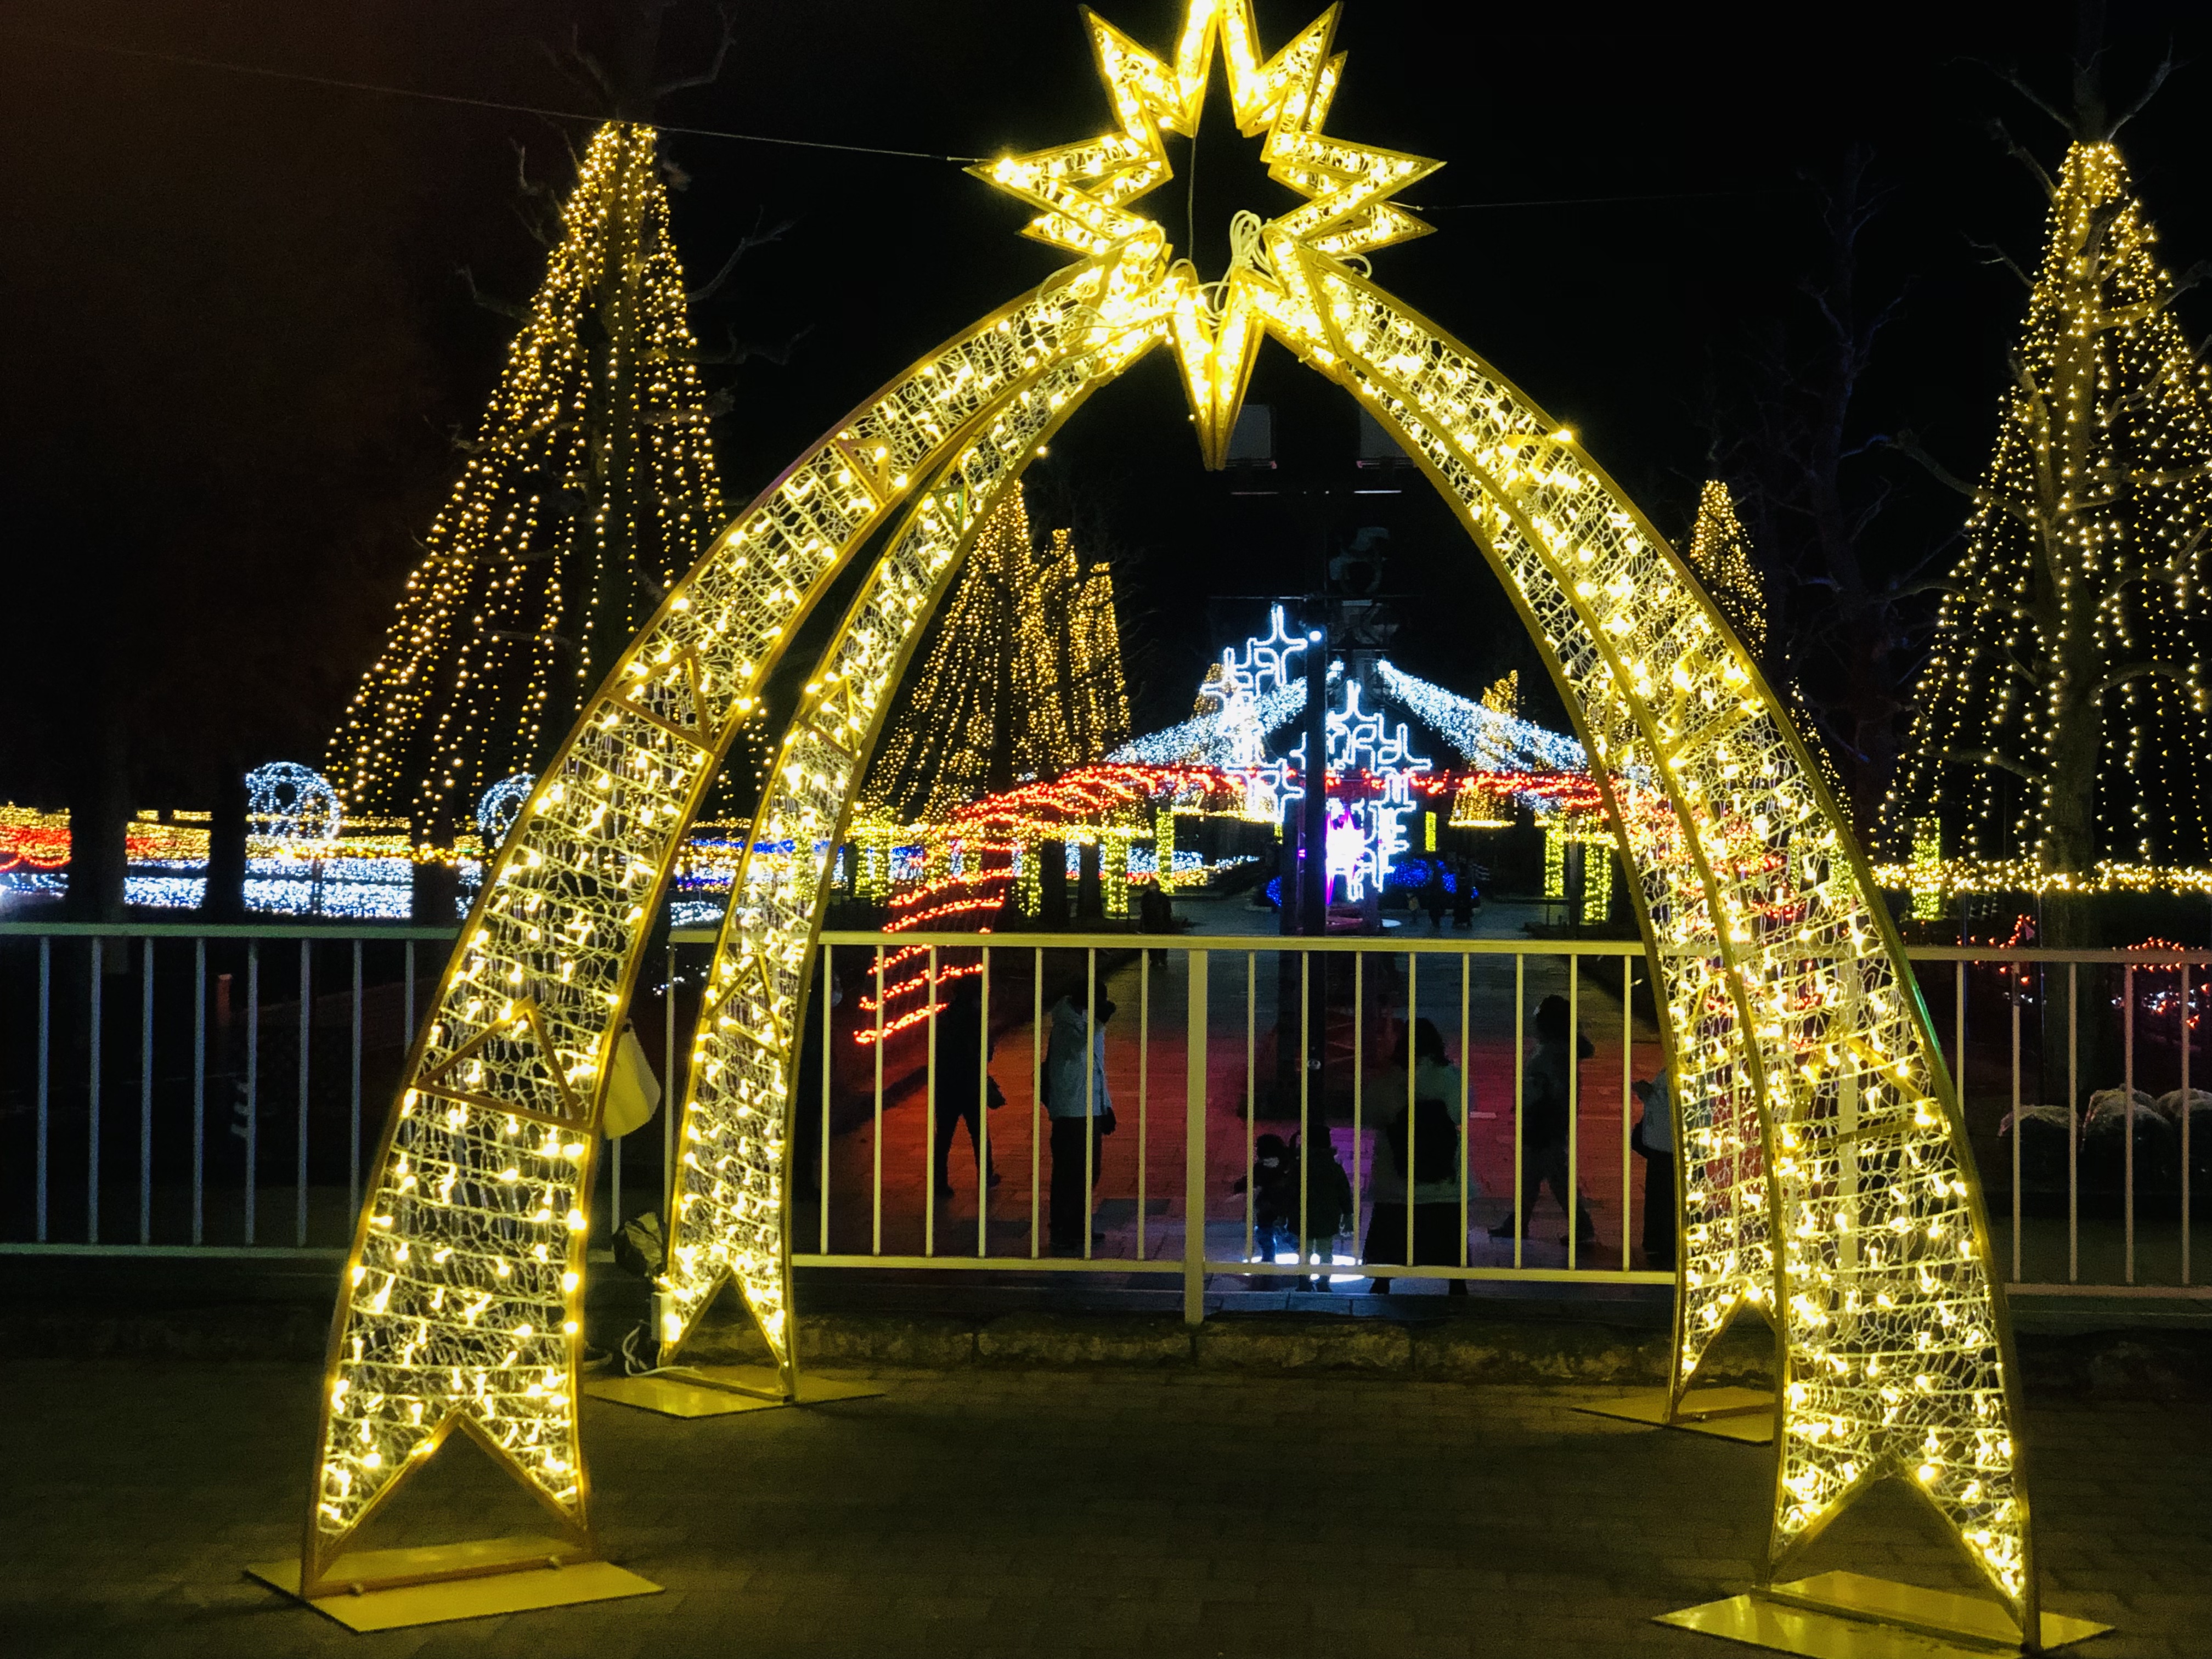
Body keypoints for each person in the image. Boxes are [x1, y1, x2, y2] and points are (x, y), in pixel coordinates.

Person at [1364, 1017, 1474, 1295]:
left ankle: (1383, 1280)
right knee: (1447, 1233)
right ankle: (1456, 1284)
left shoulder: (1389, 1081)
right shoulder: (1453, 1077)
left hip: (1397, 1183)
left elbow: (1371, 1115)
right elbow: (1464, 1110)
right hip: (1444, 1180)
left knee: (1392, 1232)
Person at [1491, 994, 1598, 1246]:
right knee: (1535, 1174)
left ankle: (1580, 1225)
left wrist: (1526, 1103)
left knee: (1554, 1176)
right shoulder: (1564, 1050)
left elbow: (1543, 1087)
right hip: (1551, 1121)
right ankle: (1519, 1222)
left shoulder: (1551, 1053)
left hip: (1544, 1121)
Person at [1045, 991, 1115, 1253]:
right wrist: (1098, 1024)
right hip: (1071, 1110)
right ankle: (1063, 1227)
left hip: (1089, 1107)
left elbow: (1097, 1067)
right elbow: (1076, 1052)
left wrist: (1105, 1105)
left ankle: (1077, 1223)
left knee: (1088, 1171)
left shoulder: (1086, 1021)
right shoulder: (1065, 1025)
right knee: (1069, 1172)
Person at [932, 974, 1002, 1201]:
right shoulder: (976, 1019)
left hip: (945, 1085)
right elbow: (985, 1054)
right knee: (980, 1133)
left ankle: (940, 1181)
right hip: (969, 1084)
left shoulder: (943, 1017)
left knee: (943, 1136)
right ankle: (986, 1174)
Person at [1630, 1067, 1675, 1270]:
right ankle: (1658, 1241)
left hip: (1667, 1145)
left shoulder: (1684, 1069)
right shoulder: (1673, 1069)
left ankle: (1663, 1243)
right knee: (1660, 1195)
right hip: (1663, 1143)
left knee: (1663, 1196)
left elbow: (1672, 1107)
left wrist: (1648, 1094)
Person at [1423, 862, 1449, 934]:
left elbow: (1429, 881)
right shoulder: (1439, 874)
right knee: (1436, 908)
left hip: (1433, 894)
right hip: (1437, 894)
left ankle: (1435, 922)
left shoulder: (1432, 874)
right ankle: (1436, 922)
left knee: (1433, 908)